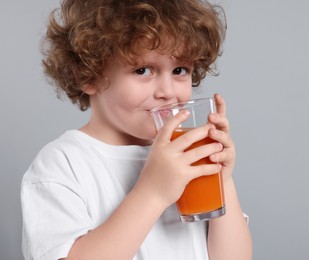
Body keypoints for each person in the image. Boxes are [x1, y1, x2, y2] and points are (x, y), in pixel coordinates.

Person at [21, 0, 252, 259]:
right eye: (143, 70)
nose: (168, 92)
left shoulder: (187, 155)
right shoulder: (62, 165)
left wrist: (223, 179)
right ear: (88, 75)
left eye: (180, 70)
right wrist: (152, 192)